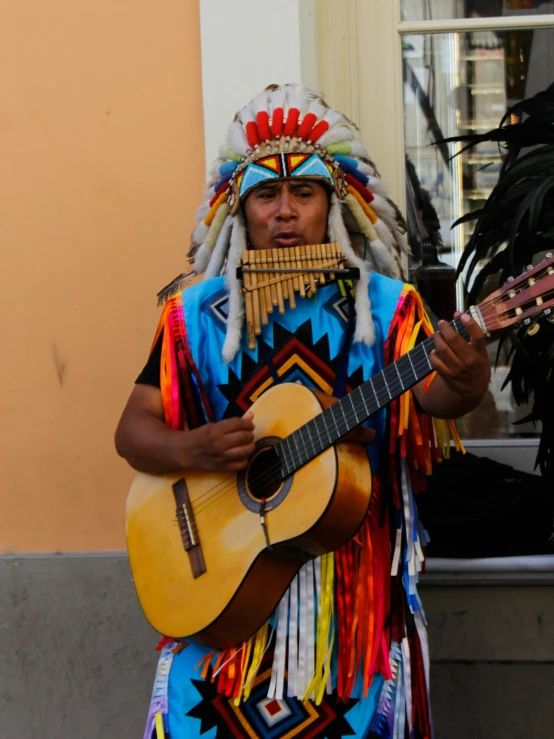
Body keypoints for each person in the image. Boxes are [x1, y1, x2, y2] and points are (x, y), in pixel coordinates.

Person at [115, 84, 491, 739]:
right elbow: (133, 430)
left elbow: (435, 398)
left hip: (350, 607)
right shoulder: (192, 317)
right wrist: (193, 448)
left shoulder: (388, 307)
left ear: (334, 206)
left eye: (305, 193)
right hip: (223, 586)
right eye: (265, 195)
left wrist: (468, 378)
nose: (284, 213)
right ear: (240, 211)